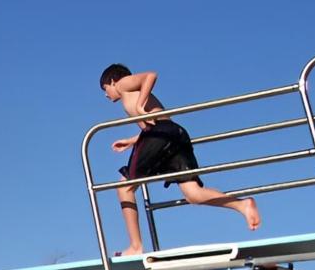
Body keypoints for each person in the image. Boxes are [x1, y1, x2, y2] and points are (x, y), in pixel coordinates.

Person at [99, 64, 260, 256]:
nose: (106, 95)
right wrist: (131, 141)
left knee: (125, 186)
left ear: (112, 81)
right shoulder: (130, 94)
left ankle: (135, 246)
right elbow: (158, 123)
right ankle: (242, 205)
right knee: (193, 193)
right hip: (174, 134)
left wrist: (141, 105)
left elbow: (150, 75)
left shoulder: (123, 84)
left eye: (105, 89)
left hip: (160, 135)